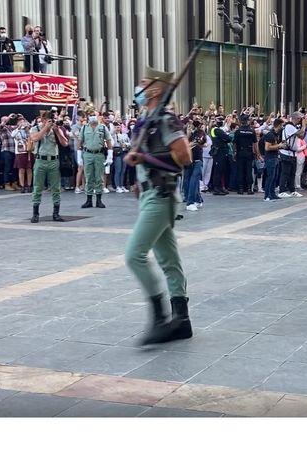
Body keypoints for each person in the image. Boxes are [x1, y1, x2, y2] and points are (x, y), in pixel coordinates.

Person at [124, 66, 194, 345]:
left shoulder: (165, 119)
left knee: (134, 255)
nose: (138, 87)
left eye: (143, 83)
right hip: (150, 193)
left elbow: (185, 156)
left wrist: (145, 161)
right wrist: (139, 179)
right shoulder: (148, 119)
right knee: (169, 261)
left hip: (161, 196)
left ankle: (161, 316)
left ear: (154, 89)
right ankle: (182, 321)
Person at [29, 109, 68, 223]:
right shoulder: (35, 128)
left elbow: (64, 143)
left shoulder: (56, 129)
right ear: (43, 120)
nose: (50, 122)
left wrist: (56, 131)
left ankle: (56, 213)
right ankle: (35, 213)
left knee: (56, 188)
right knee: (37, 187)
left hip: (53, 161)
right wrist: (46, 128)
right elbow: (35, 138)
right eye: (48, 119)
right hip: (41, 160)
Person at [78, 111, 112, 208]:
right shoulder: (84, 127)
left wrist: (110, 155)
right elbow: (80, 141)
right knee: (88, 177)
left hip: (99, 154)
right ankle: (88, 200)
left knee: (99, 177)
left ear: (98, 117)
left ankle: (98, 200)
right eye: (91, 115)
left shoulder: (102, 127)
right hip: (87, 154)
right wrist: (79, 155)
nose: (93, 117)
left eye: (94, 115)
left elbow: (108, 140)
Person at [279, 111, 307, 198]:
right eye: (300, 119)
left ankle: (292, 190)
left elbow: (301, 136)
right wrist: (304, 125)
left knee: (292, 173)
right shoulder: (289, 126)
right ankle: (282, 190)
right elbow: (301, 134)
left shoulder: (292, 127)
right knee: (285, 172)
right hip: (286, 152)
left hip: (292, 153)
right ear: (297, 118)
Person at [232, 113, 258, 195]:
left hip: (240, 152)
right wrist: (256, 153)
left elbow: (234, 143)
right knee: (249, 170)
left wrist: (235, 152)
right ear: (247, 121)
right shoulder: (251, 131)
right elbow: (255, 143)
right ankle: (249, 188)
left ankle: (240, 188)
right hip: (249, 151)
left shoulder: (238, 131)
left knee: (240, 170)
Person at [184, 120, 206, 210]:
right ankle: (194, 199)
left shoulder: (200, 133)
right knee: (188, 180)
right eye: (189, 125)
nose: (191, 126)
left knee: (194, 179)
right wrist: (188, 135)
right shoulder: (183, 134)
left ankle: (192, 201)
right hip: (187, 159)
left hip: (197, 159)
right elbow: (183, 145)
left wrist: (193, 143)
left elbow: (202, 142)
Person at [262, 118, 285, 202]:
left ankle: (272, 194)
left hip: (275, 157)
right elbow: (267, 148)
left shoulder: (275, 135)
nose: (282, 127)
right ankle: (267, 195)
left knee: (274, 177)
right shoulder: (270, 135)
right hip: (270, 158)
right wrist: (279, 146)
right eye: (282, 125)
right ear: (279, 125)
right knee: (270, 177)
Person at [208, 117, 231, 195]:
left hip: (222, 151)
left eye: (221, 120)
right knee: (218, 170)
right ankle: (216, 188)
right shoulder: (216, 130)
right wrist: (225, 138)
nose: (221, 122)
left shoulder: (219, 130)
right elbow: (227, 138)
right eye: (219, 120)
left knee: (222, 170)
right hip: (218, 152)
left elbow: (227, 138)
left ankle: (221, 187)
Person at [13, 117, 33, 193]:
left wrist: (27, 129)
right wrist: (19, 128)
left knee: (29, 169)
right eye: (20, 122)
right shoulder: (16, 131)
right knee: (21, 169)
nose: (22, 123)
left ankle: (29, 185)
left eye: (23, 122)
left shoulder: (28, 130)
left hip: (29, 151)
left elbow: (32, 137)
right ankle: (22, 186)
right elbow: (12, 135)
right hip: (20, 152)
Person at [113, 123, 131, 193]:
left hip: (124, 151)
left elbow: (129, 143)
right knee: (118, 169)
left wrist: (126, 144)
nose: (118, 128)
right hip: (117, 152)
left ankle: (122, 185)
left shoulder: (125, 135)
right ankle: (117, 186)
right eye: (116, 127)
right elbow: (112, 143)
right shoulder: (113, 135)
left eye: (119, 127)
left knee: (123, 170)